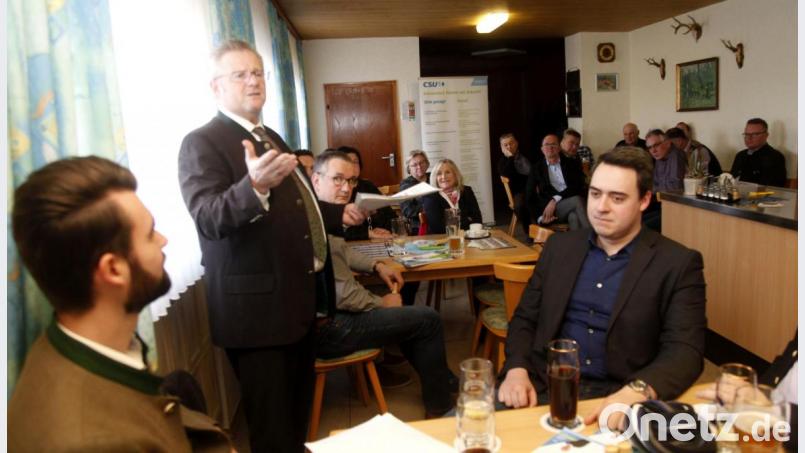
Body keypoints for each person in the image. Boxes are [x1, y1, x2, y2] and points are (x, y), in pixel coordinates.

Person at [178, 39, 365, 453]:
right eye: (240, 74)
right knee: (273, 434)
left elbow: (296, 206)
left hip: (295, 308)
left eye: (259, 72)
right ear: (215, 86)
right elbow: (208, 217)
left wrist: (337, 216)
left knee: (294, 427)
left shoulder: (270, 134)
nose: (253, 81)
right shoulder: (201, 142)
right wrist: (254, 186)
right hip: (256, 317)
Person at [9, 157, 232, 452]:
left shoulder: (81, 346)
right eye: (150, 233)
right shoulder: (94, 441)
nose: (163, 241)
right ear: (113, 270)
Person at [497, 147, 707, 431]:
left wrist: (638, 390)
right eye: (595, 194)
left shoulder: (678, 263)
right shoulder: (560, 248)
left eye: (617, 198)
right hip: (542, 382)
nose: (600, 207)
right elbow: (525, 318)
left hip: (620, 392)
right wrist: (517, 369)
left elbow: (685, 351)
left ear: (645, 200)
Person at [311, 150, 457, 418]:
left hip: (332, 319)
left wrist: (377, 265)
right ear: (316, 180)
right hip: (331, 328)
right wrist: (382, 303)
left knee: (411, 317)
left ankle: (445, 382)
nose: (346, 188)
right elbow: (344, 295)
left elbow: (343, 253)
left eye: (351, 181)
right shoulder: (315, 221)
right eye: (338, 179)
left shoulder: (325, 215)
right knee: (427, 319)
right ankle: (442, 408)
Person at [525, 134, 590, 230]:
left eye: (553, 144)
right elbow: (529, 196)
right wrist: (540, 218)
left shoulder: (571, 163)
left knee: (574, 217)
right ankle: (595, 240)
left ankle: (578, 244)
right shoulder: (536, 169)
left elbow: (577, 186)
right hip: (551, 211)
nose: (550, 147)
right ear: (542, 149)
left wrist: (555, 199)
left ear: (559, 148)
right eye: (546, 144)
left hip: (568, 204)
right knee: (577, 200)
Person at [338, 145, 396, 240]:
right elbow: (338, 230)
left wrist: (385, 230)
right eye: (347, 161)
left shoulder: (368, 186)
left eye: (355, 162)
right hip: (352, 243)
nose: (352, 165)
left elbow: (388, 213)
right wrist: (368, 233)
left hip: (379, 239)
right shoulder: (337, 190)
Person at [421, 158, 483, 233]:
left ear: (455, 174)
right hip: (442, 241)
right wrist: (467, 220)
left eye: (447, 172)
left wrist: (450, 222)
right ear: (435, 178)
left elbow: (478, 220)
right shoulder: (430, 197)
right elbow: (437, 228)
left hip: (468, 237)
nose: (443, 177)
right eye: (439, 174)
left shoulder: (466, 191)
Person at [730, 118, 787, 187]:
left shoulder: (775, 157)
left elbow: (773, 187)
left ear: (766, 135)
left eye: (755, 134)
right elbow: (731, 180)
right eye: (746, 134)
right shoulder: (740, 155)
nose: (749, 138)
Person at [496, 133, 532, 232]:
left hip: (534, 188)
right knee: (520, 205)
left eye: (511, 143)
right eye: (505, 145)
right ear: (501, 148)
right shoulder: (502, 162)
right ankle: (530, 232)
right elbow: (507, 174)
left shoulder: (526, 155)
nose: (509, 147)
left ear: (516, 143)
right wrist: (511, 158)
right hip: (519, 192)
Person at [399, 149, 431, 232]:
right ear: (409, 169)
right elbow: (408, 211)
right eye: (414, 165)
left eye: (422, 163)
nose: (419, 167)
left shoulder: (434, 177)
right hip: (419, 226)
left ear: (427, 164)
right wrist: (430, 207)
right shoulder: (406, 185)